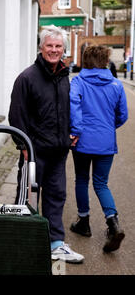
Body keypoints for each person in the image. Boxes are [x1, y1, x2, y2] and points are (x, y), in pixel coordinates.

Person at [9, 25, 84, 263]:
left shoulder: (64, 77)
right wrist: (23, 146)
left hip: (58, 151)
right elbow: (17, 115)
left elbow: (68, 109)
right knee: (27, 197)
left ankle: (56, 244)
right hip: (34, 152)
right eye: (49, 46)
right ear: (41, 48)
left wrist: (72, 133)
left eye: (58, 46)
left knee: (56, 195)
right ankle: (20, 244)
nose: (54, 50)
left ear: (64, 50)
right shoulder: (27, 78)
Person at [69, 45, 128, 253]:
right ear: (105, 61)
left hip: (82, 142)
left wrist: (76, 131)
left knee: (82, 180)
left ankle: (83, 222)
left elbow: (73, 107)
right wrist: (107, 129)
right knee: (101, 183)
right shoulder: (116, 84)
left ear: (85, 61)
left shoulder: (77, 81)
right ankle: (112, 222)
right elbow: (123, 115)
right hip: (105, 143)